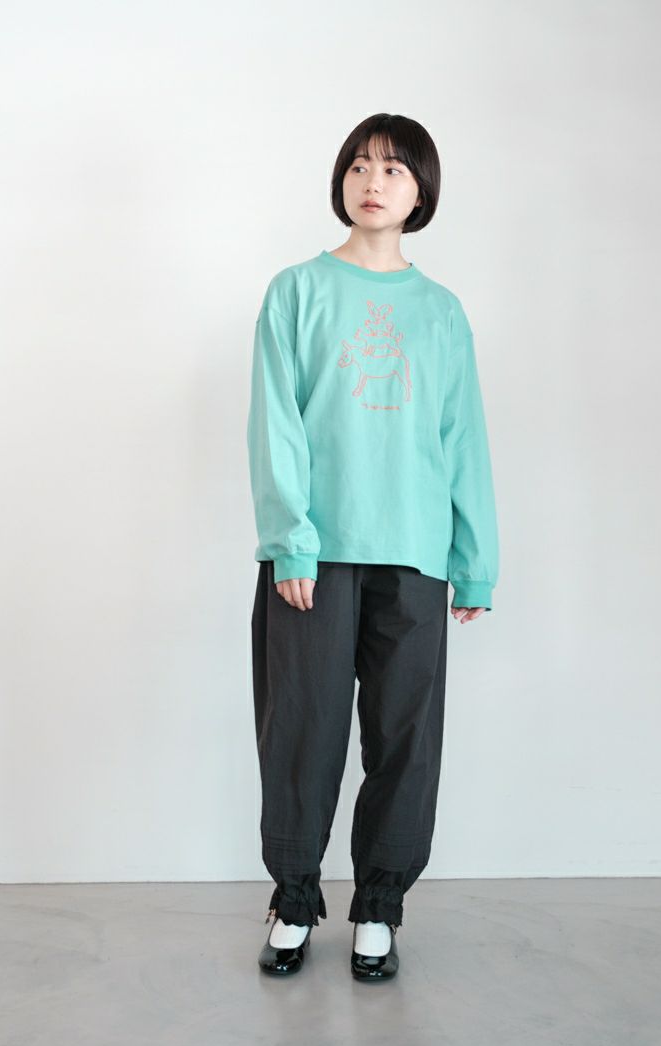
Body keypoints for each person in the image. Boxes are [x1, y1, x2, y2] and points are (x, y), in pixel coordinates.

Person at [246, 112, 499, 980]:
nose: (372, 182)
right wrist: (291, 541)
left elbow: (463, 438)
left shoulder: (442, 312)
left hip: (415, 556)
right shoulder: (297, 291)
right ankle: (294, 899)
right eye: (358, 165)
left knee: (404, 738)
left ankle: (380, 907)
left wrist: (475, 561)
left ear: (421, 190)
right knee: (302, 732)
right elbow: (275, 422)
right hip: (314, 556)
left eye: (393, 169)